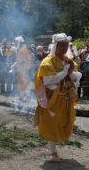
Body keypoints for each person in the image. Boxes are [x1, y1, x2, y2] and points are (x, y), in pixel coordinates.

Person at [34, 33, 82, 162]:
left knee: (68, 120)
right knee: (51, 124)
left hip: (65, 99)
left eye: (66, 46)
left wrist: (71, 72)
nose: (64, 49)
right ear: (56, 46)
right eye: (62, 46)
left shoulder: (67, 60)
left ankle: (57, 141)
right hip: (52, 100)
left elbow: (75, 77)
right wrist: (66, 71)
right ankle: (53, 152)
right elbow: (49, 81)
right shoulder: (47, 62)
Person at [9, 36, 32, 101]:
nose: (15, 43)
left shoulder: (23, 49)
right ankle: (21, 96)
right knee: (21, 82)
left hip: (23, 68)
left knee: (25, 82)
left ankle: (28, 97)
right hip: (21, 68)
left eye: (16, 42)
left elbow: (21, 60)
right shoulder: (21, 49)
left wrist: (14, 65)